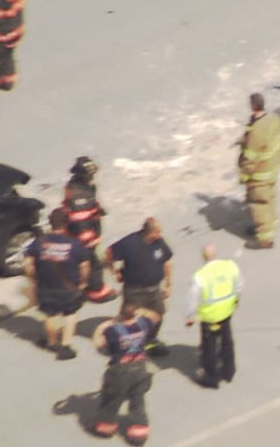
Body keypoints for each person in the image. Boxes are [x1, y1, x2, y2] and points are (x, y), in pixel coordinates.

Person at [24, 207, 90, 360]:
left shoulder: (38, 242)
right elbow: (85, 265)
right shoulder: (74, 243)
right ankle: (66, 346)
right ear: (66, 224)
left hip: (46, 286)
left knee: (50, 314)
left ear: (50, 223)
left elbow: (28, 264)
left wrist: (33, 279)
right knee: (70, 314)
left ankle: (52, 342)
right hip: (69, 287)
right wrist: (83, 282)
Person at [90, 303, 160, 446]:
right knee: (137, 399)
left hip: (120, 369)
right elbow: (156, 316)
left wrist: (99, 329)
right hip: (140, 368)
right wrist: (144, 309)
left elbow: (98, 344)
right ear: (135, 314)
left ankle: (106, 426)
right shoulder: (143, 324)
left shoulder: (113, 331)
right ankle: (139, 431)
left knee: (112, 398)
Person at [105, 217, 173, 357]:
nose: (160, 235)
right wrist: (114, 271)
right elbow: (108, 253)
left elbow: (167, 261)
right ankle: (123, 344)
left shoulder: (159, 243)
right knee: (129, 318)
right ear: (149, 232)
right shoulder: (130, 242)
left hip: (154, 289)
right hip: (134, 290)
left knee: (158, 315)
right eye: (158, 232)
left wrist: (169, 283)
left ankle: (150, 340)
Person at [185, 243, 243, 389]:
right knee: (227, 341)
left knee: (209, 346)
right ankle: (229, 371)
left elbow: (193, 296)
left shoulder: (200, 275)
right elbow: (239, 285)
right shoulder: (230, 266)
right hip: (227, 310)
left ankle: (212, 378)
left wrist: (191, 315)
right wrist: (236, 300)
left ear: (203, 256)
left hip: (210, 315)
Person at [62, 156, 117, 303]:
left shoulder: (82, 187)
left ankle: (80, 286)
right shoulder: (78, 193)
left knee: (85, 262)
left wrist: (97, 209)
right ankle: (96, 291)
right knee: (93, 264)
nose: (93, 177)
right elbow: (79, 218)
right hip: (84, 237)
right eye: (90, 174)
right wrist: (88, 238)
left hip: (87, 232)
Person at [238, 92, 280, 250]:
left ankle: (265, 239)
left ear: (252, 106)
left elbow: (250, 158)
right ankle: (268, 226)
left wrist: (245, 176)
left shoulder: (257, 130)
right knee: (269, 199)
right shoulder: (274, 119)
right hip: (272, 169)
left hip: (259, 175)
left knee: (259, 205)